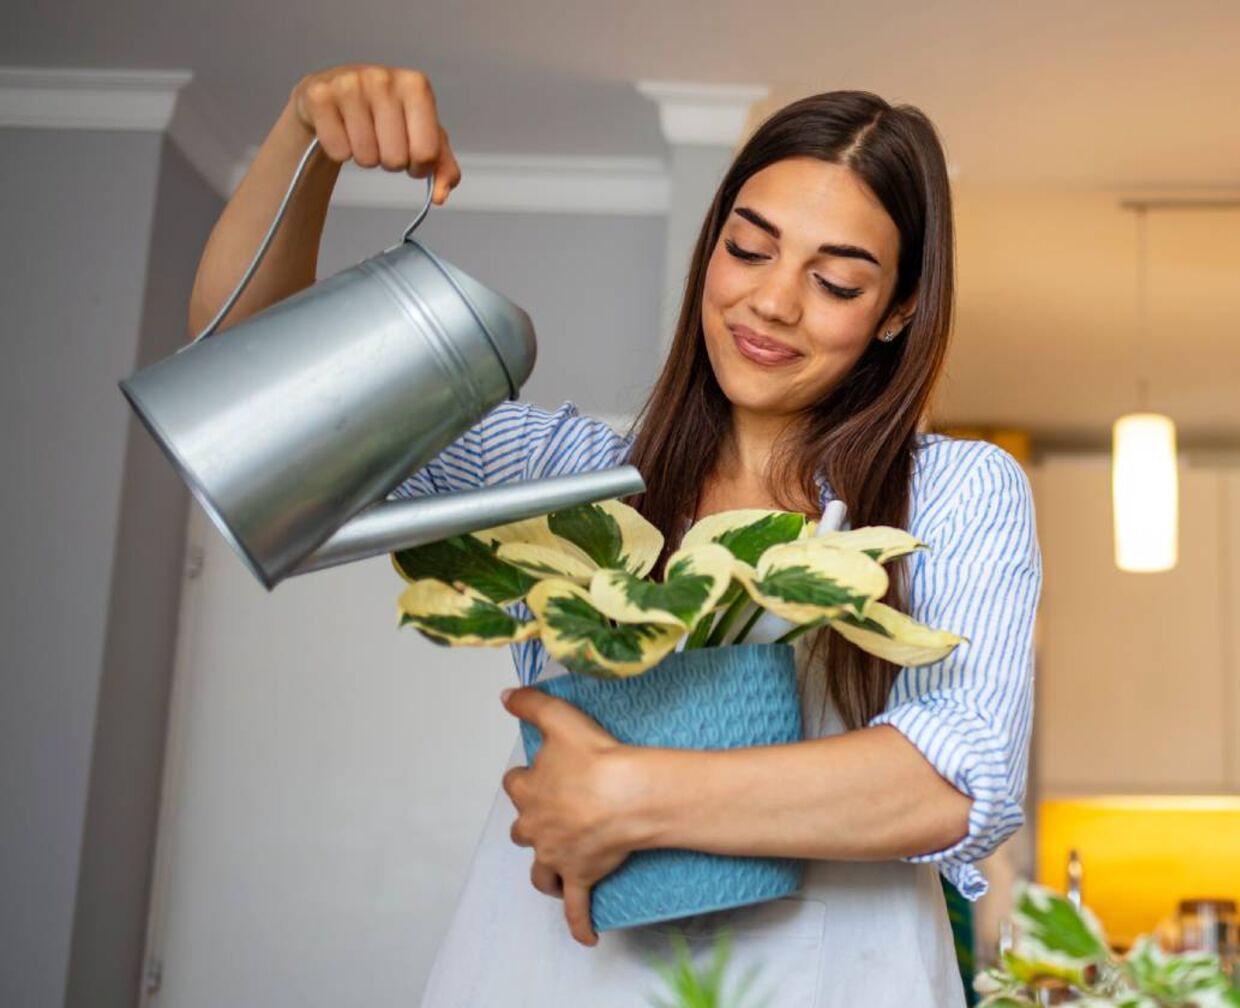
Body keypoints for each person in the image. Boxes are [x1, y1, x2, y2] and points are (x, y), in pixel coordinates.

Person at [186, 63, 1041, 1006]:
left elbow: (959, 778)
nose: (772, 303)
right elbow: (257, 408)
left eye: (835, 281)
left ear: (899, 311)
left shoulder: (953, 490)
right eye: (748, 250)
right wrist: (305, 140)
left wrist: (627, 794)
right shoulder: (563, 474)